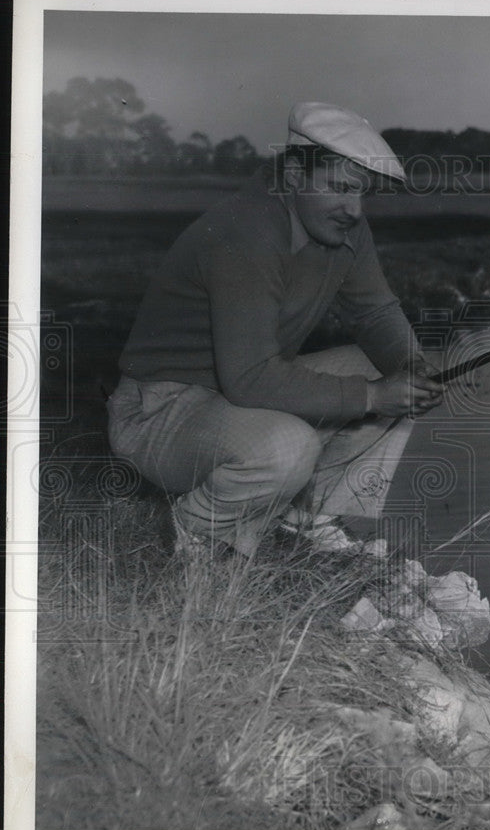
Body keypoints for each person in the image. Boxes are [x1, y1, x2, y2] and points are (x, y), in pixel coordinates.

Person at [107, 102, 443, 557]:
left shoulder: (339, 227)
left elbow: (375, 313)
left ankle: (307, 519)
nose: (354, 210)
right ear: (291, 177)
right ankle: (195, 529)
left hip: (226, 399)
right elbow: (252, 379)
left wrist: (411, 365)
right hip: (159, 411)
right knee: (290, 446)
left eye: (363, 193)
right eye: (341, 188)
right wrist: (372, 396)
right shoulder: (244, 232)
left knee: (384, 367)